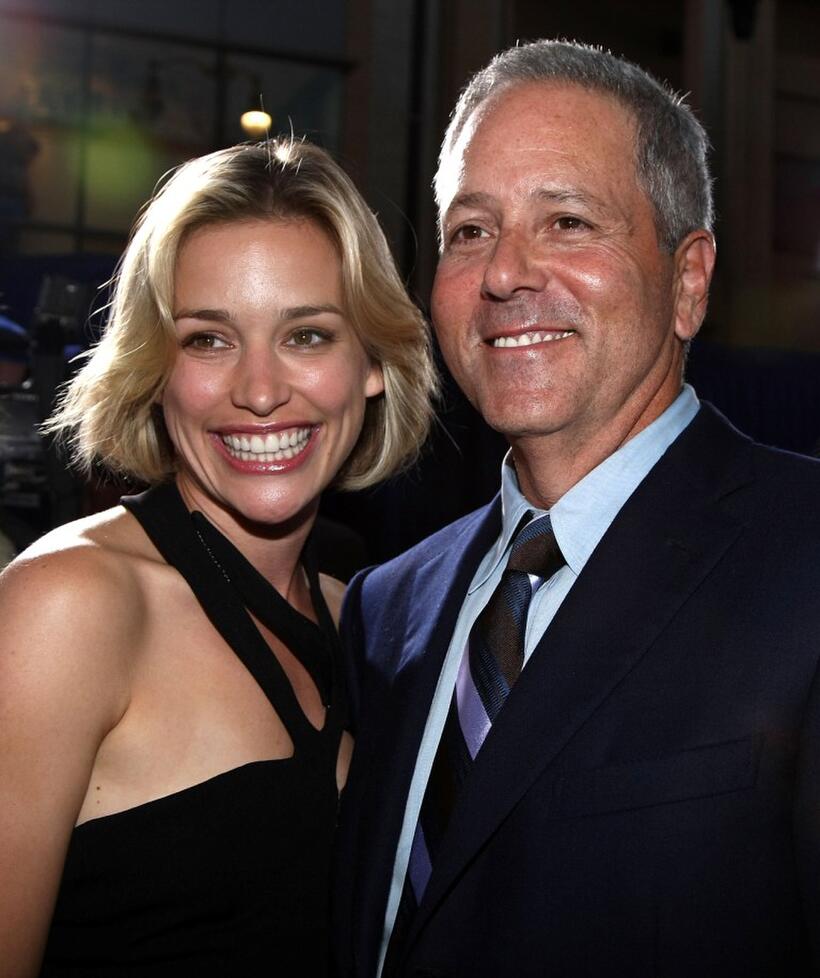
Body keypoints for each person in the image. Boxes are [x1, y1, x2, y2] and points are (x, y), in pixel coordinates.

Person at [334, 39, 820, 978]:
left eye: (566, 221)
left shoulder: (804, 563)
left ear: (689, 281)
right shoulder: (389, 609)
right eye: (470, 231)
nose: (505, 273)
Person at [0, 136, 436, 977]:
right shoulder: (69, 608)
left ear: (374, 363)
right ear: (153, 370)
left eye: (307, 335)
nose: (261, 390)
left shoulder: (366, 621)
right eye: (208, 340)